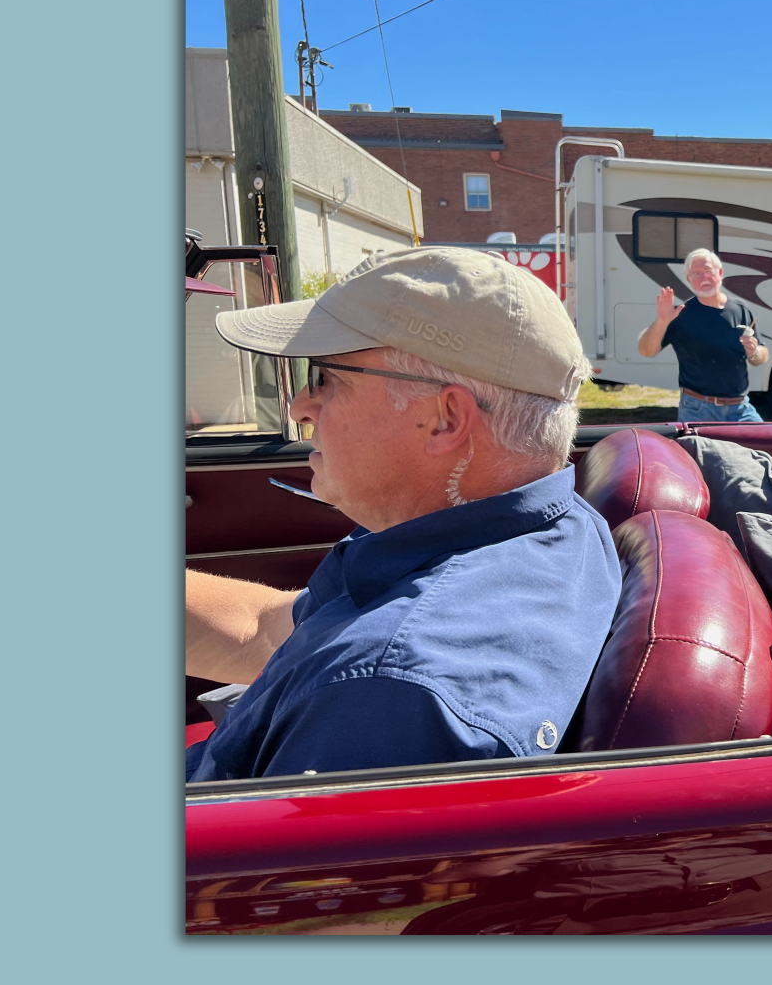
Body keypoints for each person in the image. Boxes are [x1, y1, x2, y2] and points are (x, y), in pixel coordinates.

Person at [185, 246, 621, 782]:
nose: (301, 405)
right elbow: (274, 630)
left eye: (326, 376)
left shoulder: (381, 694)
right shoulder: (553, 526)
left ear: (445, 419)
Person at [636, 248, 768, 423]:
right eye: (696, 274)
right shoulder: (681, 315)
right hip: (698, 409)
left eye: (708, 271)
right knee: (698, 452)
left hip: (741, 409)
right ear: (689, 280)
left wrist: (754, 352)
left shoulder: (740, 309)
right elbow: (646, 351)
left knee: (765, 446)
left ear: (720, 273)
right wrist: (661, 321)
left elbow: (762, 355)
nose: (704, 278)